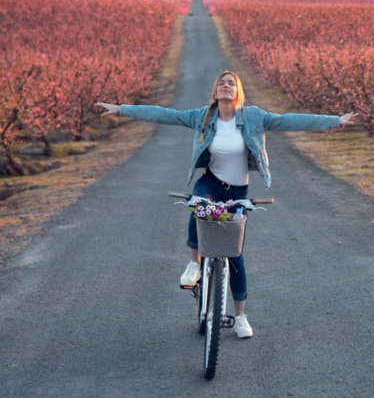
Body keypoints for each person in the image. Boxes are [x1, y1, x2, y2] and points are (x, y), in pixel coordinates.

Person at [95, 70, 357, 339]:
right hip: (211, 184)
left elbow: (290, 121)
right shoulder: (202, 117)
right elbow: (165, 114)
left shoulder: (254, 117)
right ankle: (194, 265)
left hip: (238, 191)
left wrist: (336, 120)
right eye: (221, 82)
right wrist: (121, 109)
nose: (226, 85)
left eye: (231, 83)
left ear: (238, 91)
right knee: (198, 204)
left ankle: (241, 315)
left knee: (236, 256)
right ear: (215, 91)